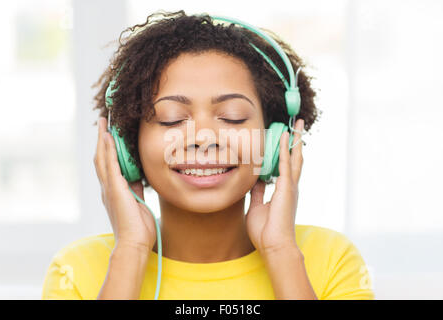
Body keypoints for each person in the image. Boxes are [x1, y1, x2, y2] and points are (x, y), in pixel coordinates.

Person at [41, 10, 374, 300]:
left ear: (275, 142)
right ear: (128, 146)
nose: (203, 139)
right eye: (171, 118)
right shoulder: (78, 270)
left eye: (232, 117)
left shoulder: (330, 260)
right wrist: (130, 251)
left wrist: (281, 252)